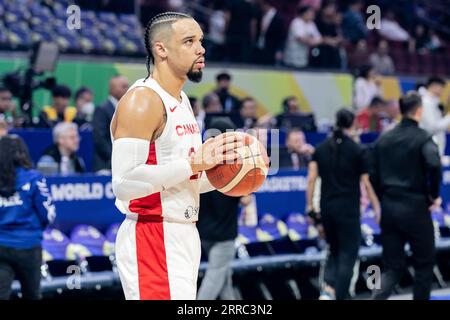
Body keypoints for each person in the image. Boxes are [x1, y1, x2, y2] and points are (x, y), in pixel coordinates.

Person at [111, 12, 243, 300]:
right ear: (161, 49)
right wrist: (195, 163)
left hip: (183, 233)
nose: (201, 48)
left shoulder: (181, 101)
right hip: (152, 235)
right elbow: (124, 183)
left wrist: (231, 176)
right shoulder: (142, 101)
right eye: (189, 41)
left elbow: (187, 178)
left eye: (200, 40)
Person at [371, 92, 441, 300]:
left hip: (389, 208)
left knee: (391, 267)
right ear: (419, 110)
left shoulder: (384, 138)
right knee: (424, 264)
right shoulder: (423, 137)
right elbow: (434, 164)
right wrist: (433, 195)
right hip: (416, 207)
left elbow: (372, 173)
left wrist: (382, 196)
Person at [306, 109, 380, 300]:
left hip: (327, 209)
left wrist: (311, 209)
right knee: (348, 255)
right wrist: (377, 208)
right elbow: (367, 183)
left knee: (334, 250)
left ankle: (327, 291)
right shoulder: (358, 150)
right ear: (353, 123)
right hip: (349, 210)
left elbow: (311, 180)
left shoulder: (320, 149)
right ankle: (339, 296)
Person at [197, 117, 248, 300]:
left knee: (224, 279)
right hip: (224, 235)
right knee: (213, 281)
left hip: (203, 233)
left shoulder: (200, 161)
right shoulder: (234, 167)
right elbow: (245, 200)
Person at [0, 135, 55, 299]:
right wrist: (37, 229)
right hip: (29, 246)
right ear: (22, 153)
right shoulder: (34, 179)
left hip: (1, 245)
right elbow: (48, 214)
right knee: (32, 295)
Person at [92, 75, 129, 172]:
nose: (127, 89)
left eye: (127, 86)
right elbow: (99, 137)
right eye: (124, 86)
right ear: (113, 89)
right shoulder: (102, 109)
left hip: (123, 163)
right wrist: (115, 157)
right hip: (106, 163)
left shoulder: (128, 108)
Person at [419, 76, 448, 156]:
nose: (442, 91)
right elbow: (432, 126)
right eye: (441, 88)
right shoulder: (426, 103)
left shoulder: (434, 102)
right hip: (429, 147)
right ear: (434, 86)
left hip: (433, 147)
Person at [254, 0, 285, 65]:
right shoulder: (260, 14)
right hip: (259, 47)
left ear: (266, 5)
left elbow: (281, 36)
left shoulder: (278, 17)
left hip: (271, 49)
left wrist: (279, 50)